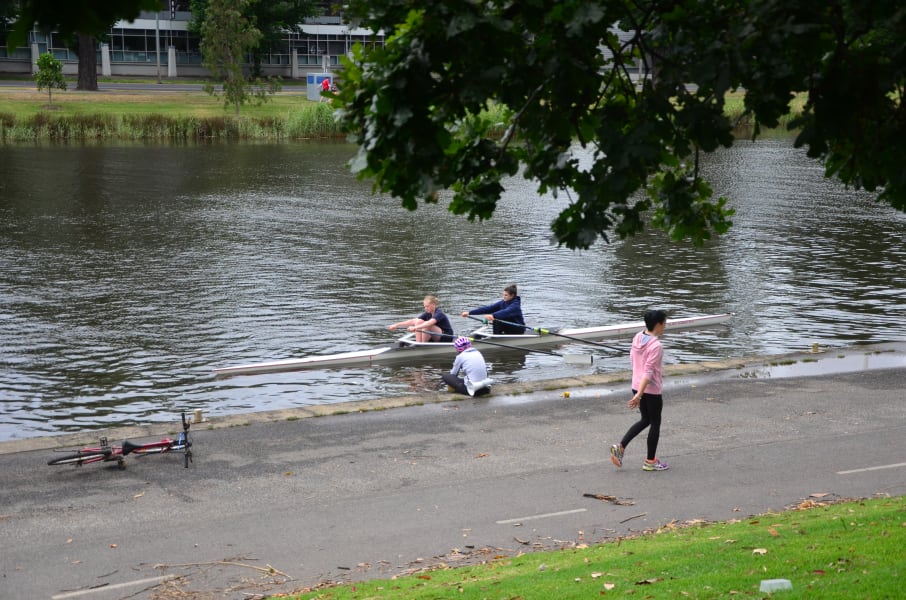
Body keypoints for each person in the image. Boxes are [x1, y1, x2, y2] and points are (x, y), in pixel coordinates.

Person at [610, 309, 670, 471]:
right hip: (649, 390)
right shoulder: (656, 346)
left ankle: (621, 447)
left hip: (636, 384)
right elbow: (649, 372)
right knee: (655, 422)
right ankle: (650, 461)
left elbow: (632, 359)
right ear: (658, 324)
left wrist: (637, 392)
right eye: (664, 323)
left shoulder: (637, 337)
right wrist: (640, 395)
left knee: (646, 420)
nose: (665, 326)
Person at [389, 295, 454, 343]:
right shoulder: (428, 313)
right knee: (419, 321)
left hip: (446, 337)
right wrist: (396, 325)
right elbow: (412, 321)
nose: (426, 308)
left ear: (433, 304)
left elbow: (429, 323)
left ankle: (422, 345)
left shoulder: (439, 313)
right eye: (425, 306)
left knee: (426, 324)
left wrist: (415, 328)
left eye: (427, 306)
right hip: (436, 335)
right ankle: (419, 343)